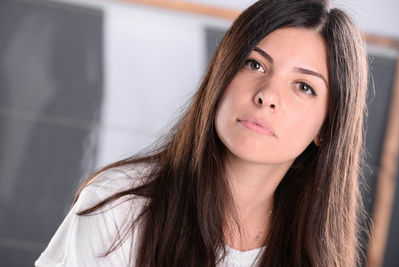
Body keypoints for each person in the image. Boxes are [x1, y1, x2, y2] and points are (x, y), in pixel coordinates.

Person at [35, 0, 369, 266]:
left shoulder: (317, 253)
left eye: (303, 86)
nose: (267, 95)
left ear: (326, 129)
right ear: (221, 75)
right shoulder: (120, 205)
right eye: (255, 64)